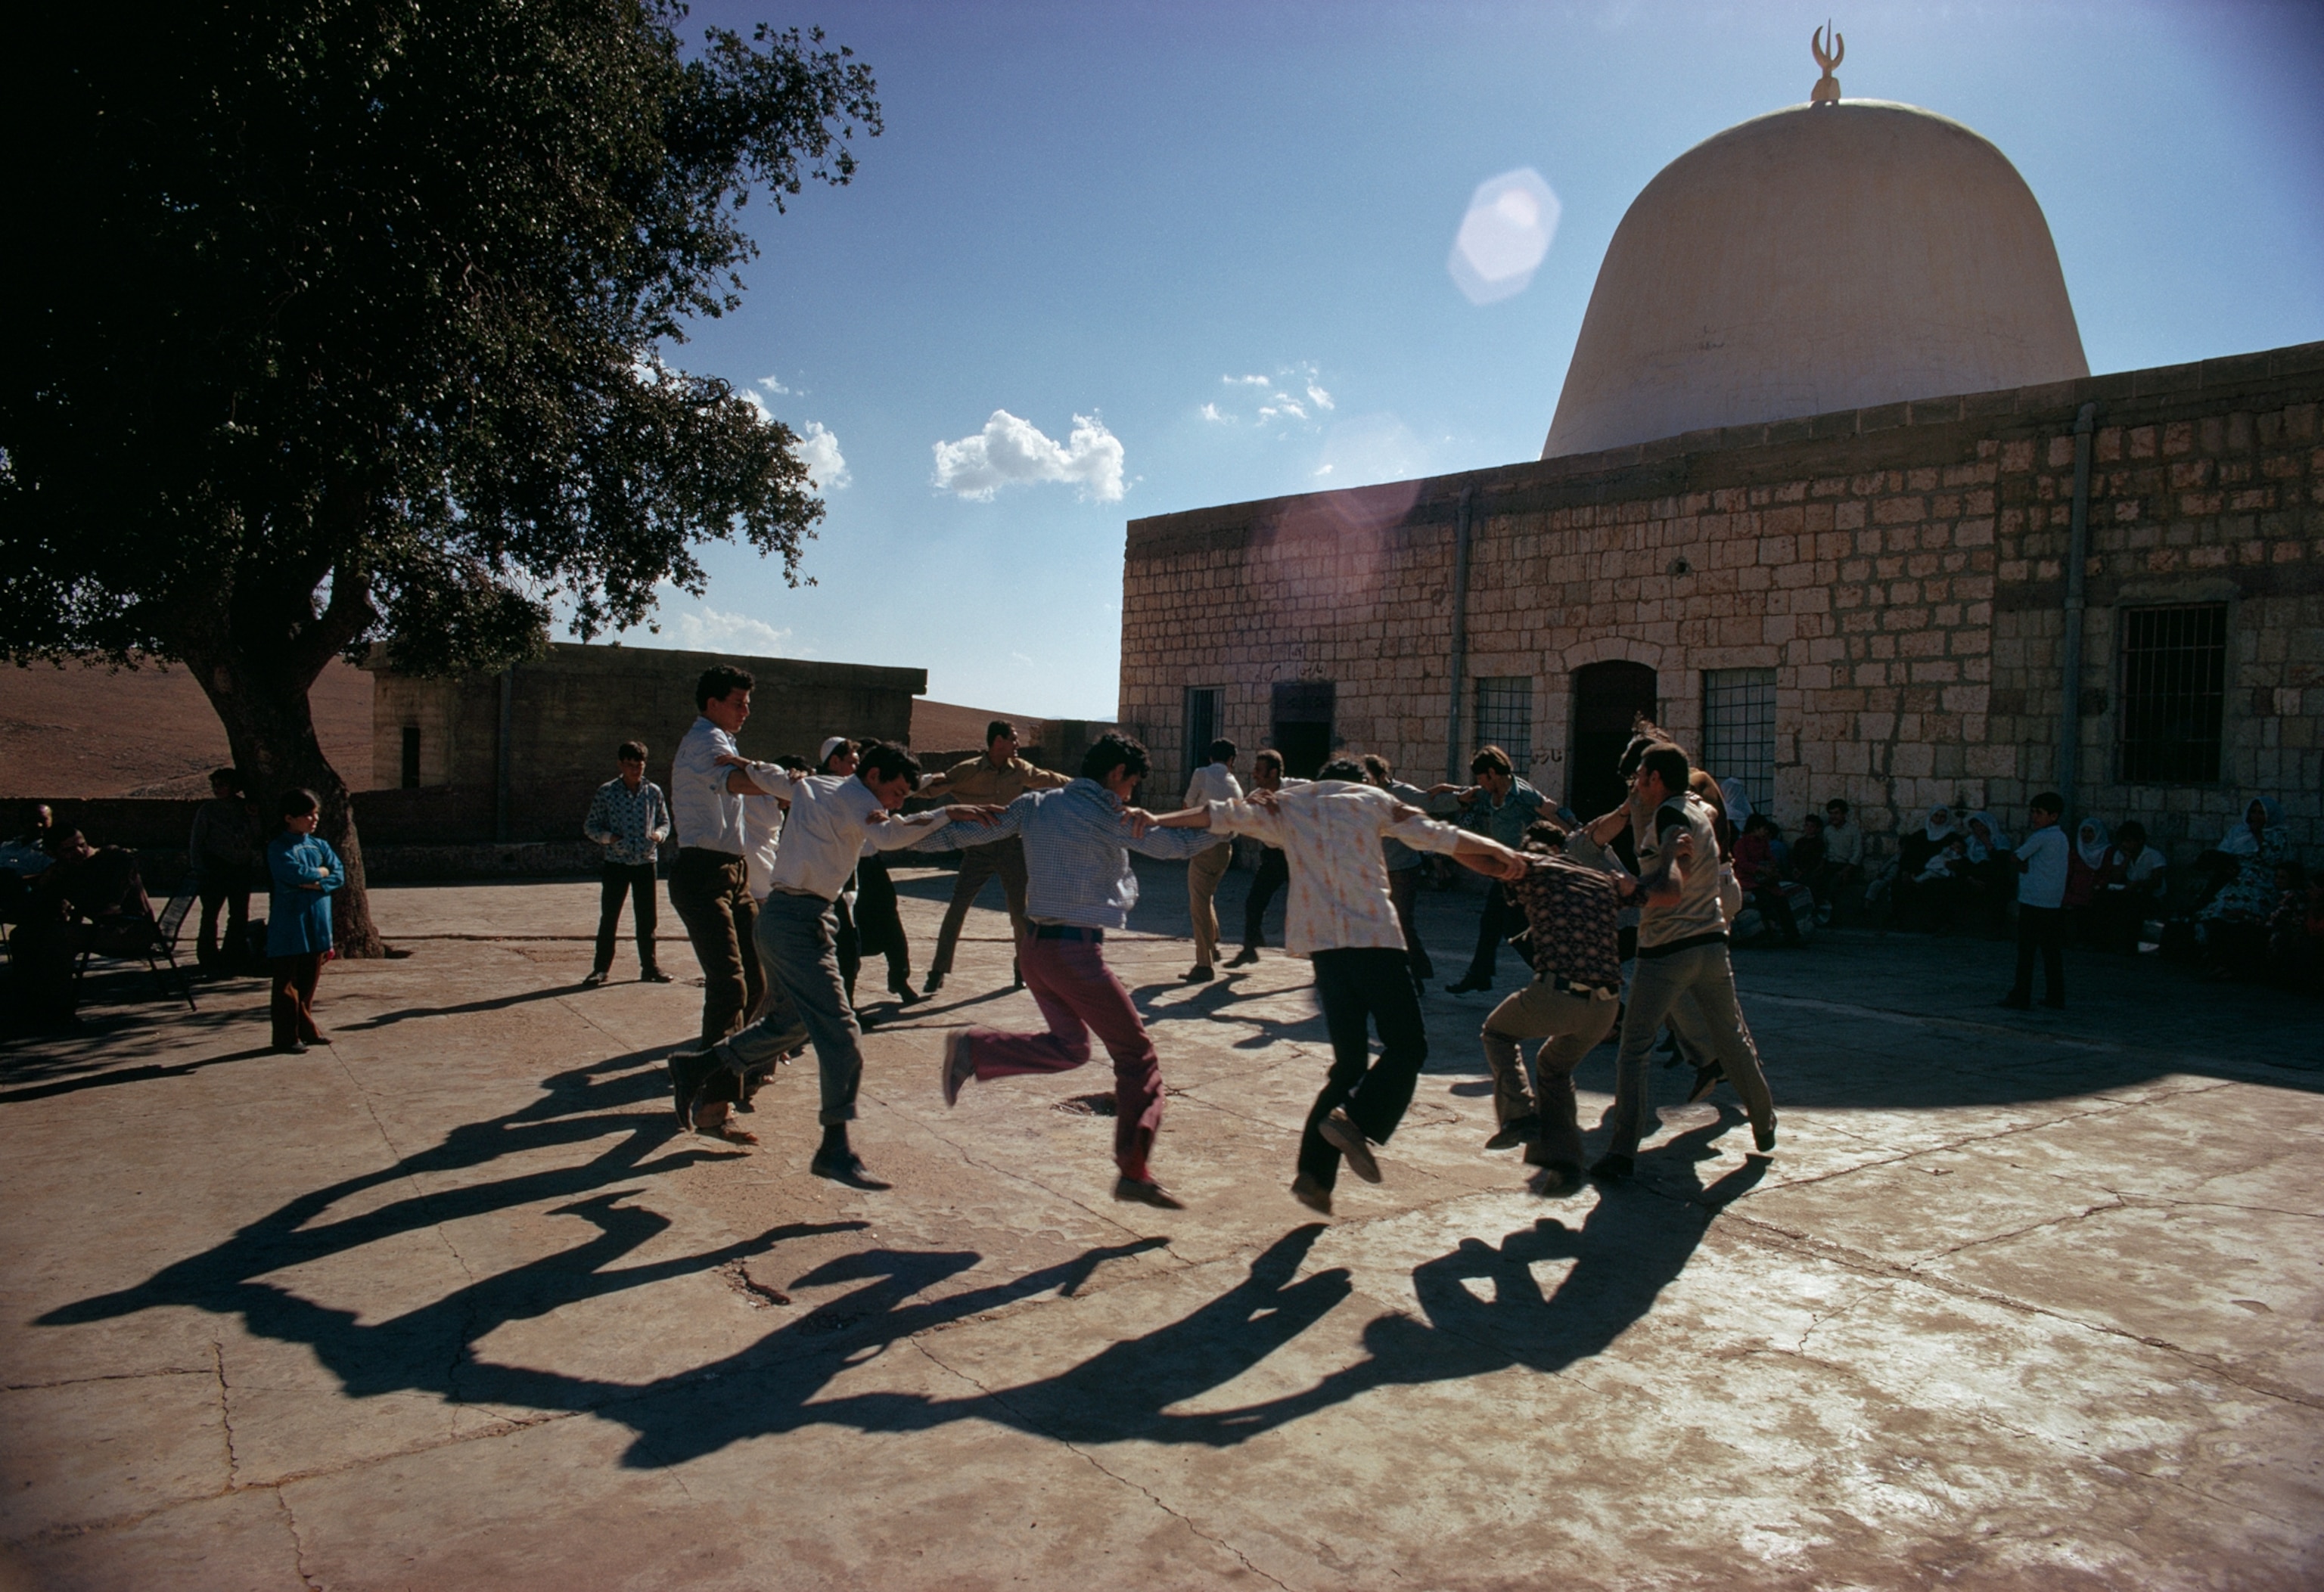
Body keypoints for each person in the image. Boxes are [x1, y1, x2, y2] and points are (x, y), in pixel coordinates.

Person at [1144, 756, 1523, 1215]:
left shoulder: (1287, 804)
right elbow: (1442, 837)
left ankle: (1314, 1176)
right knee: (1407, 1047)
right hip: (1375, 942)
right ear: (1359, 780)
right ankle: (1358, 1123)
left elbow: (1220, 815)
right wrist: (1501, 854)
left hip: (1324, 950)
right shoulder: (1373, 799)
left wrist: (1156, 818)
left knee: (1348, 1065)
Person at [667, 741, 991, 1187]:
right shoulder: (859, 799)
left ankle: (698, 1066)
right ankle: (834, 1149)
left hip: (784, 919)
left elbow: (768, 774)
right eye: (895, 791)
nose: (896, 802)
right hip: (800, 922)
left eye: (902, 795)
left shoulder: (815, 784)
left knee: (792, 1025)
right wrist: (947, 814)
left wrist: (744, 762)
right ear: (873, 776)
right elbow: (890, 836)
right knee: (842, 1035)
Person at [924, 733, 1219, 1208]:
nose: (1131, 797)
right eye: (1132, 786)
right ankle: (1134, 1170)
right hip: (1074, 954)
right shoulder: (1107, 812)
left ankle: (975, 1051)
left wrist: (891, 834)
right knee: (1136, 1057)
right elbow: (1176, 847)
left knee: (1071, 1049)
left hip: (1036, 950)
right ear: (1118, 774)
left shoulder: (1036, 803)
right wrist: (1233, 823)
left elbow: (971, 832)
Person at [1584, 742, 1779, 1182]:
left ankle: (1620, 1152)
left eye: (1640, 776)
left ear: (1655, 779)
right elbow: (1710, 817)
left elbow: (1670, 890)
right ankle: (1765, 1123)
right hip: (1711, 944)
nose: (1635, 785)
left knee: (1634, 1049)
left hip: (1669, 948)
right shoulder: (1695, 810)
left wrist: (1630, 889)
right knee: (1731, 1038)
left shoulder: (1670, 820)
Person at [1476, 818, 1635, 1190]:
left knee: (1497, 1033)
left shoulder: (1534, 868)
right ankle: (1563, 1162)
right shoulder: (1599, 879)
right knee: (1553, 1067)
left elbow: (1486, 862)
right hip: (1607, 1007)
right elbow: (1660, 893)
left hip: (1561, 994)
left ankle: (1518, 1116)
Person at [918, 721, 1067, 995]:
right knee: (957, 907)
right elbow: (932, 788)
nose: (1017, 744)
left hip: (1011, 849)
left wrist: (1082, 786)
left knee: (1019, 914)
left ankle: (1021, 970)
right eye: (1013, 738)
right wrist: (895, 793)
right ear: (997, 742)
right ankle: (937, 971)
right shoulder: (968, 770)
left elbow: (1047, 778)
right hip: (978, 852)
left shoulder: (1019, 768)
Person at [666, 666, 766, 1049]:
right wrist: (770, 777)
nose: (746, 712)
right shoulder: (705, 742)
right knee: (729, 985)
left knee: (757, 979)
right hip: (703, 872)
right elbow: (736, 782)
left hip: (733, 870)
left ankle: (739, 1068)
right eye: (738, 703)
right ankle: (712, 1089)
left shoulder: (724, 741)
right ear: (713, 704)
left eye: (747, 704)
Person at [816, 737, 918, 1010]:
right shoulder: (826, 792)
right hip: (846, 869)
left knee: (889, 920)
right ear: (833, 763)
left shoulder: (867, 791)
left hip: (871, 865)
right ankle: (844, 1004)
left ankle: (899, 977)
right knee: (848, 936)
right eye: (850, 761)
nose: (855, 766)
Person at [1442, 745, 1548, 994]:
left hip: (1520, 869)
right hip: (1502, 871)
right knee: (1491, 923)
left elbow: (1551, 810)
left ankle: (1552, 973)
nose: (1479, 783)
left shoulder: (1523, 795)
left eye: (1481, 777)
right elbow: (1465, 793)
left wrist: (1575, 833)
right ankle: (1480, 974)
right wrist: (1441, 791)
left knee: (1512, 927)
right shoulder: (1487, 795)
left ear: (1491, 772)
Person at [580, 740, 672, 988]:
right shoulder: (607, 792)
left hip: (645, 861)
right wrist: (608, 839)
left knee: (647, 918)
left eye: (639, 765)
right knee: (610, 917)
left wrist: (659, 835)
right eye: (630, 765)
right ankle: (600, 969)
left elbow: (665, 821)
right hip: (617, 862)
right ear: (621, 764)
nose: (635, 770)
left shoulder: (653, 792)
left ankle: (650, 967)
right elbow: (591, 825)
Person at [265, 788, 344, 1054]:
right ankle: (287, 1036)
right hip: (290, 921)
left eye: (315, 815)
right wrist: (319, 874)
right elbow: (292, 873)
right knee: (287, 980)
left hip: (317, 919)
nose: (313, 820)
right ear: (289, 818)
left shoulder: (320, 845)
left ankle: (306, 1028)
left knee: (310, 977)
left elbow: (339, 874)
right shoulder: (278, 847)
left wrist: (317, 881)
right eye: (307, 815)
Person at [1362, 753, 1438, 985]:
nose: (1365, 783)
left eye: (1369, 778)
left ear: (1382, 776)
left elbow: (1426, 800)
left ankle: (1418, 970)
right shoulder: (1363, 797)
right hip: (1377, 870)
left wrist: (1462, 798)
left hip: (1404, 868)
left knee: (1402, 920)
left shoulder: (1401, 793)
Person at [1179, 737, 1241, 982]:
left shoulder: (1201, 774)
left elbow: (1188, 804)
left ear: (1210, 757)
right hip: (1225, 848)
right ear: (1231, 760)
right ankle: (1213, 942)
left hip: (1204, 845)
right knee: (1206, 897)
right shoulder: (1235, 783)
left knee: (1198, 904)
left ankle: (1204, 964)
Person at [1999, 792, 2069, 1010]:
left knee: (2027, 951)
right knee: (2051, 952)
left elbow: (2016, 857)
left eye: (2039, 813)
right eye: (2033, 812)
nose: (2034, 817)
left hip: (2034, 900)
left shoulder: (2041, 837)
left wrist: (2021, 863)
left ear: (2053, 816)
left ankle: (2021, 995)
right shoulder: (2062, 838)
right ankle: (2055, 995)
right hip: (2052, 901)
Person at [1226, 749, 1294, 967]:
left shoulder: (1297, 786)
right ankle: (1249, 948)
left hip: (1298, 856)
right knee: (1254, 902)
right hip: (1274, 857)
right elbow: (1240, 813)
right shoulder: (1258, 794)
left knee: (1312, 904)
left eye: (1259, 770)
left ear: (1273, 773)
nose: (1254, 774)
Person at [188, 768, 259, 975]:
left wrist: (254, 817)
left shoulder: (246, 808)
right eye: (215, 785)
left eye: (222, 785)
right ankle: (208, 956)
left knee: (238, 913)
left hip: (240, 867)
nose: (217, 789)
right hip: (215, 867)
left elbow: (256, 835)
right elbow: (197, 841)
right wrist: (199, 868)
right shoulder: (208, 810)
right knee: (210, 913)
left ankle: (233, 954)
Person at [2095, 819, 2167, 953]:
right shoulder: (2120, 854)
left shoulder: (2154, 856)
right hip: (2128, 893)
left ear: (2139, 841)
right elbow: (2116, 877)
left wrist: (2138, 884)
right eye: (2123, 841)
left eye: (2128, 841)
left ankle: (2131, 946)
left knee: (2134, 906)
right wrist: (2126, 859)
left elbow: (2156, 882)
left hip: (2150, 896)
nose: (2124, 845)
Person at [1733, 815, 1804, 946]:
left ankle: (1792, 935)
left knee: (1781, 900)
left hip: (1764, 879)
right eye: (1763, 829)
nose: (1765, 832)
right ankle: (1770, 932)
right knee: (1764, 899)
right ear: (1755, 828)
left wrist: (1771, 867)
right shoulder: (1741, 843)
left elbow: (1770, 857)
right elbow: (1743, 863)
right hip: (1749, 880)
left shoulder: (1764, 843)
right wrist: (1759, 869)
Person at [1811, 797, 1864, 920]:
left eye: (1836, 813)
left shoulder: (1853, 830)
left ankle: (1830, 915)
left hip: (1845, 866)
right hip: (1830, 864)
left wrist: (1847, 870)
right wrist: (1821, 866)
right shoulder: (1827, 831)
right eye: (1831, 813)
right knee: (1815, 880)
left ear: (1844, 814)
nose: (1833, 817)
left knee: (1834, 883)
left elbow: (1857, 853)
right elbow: (1825, 851)